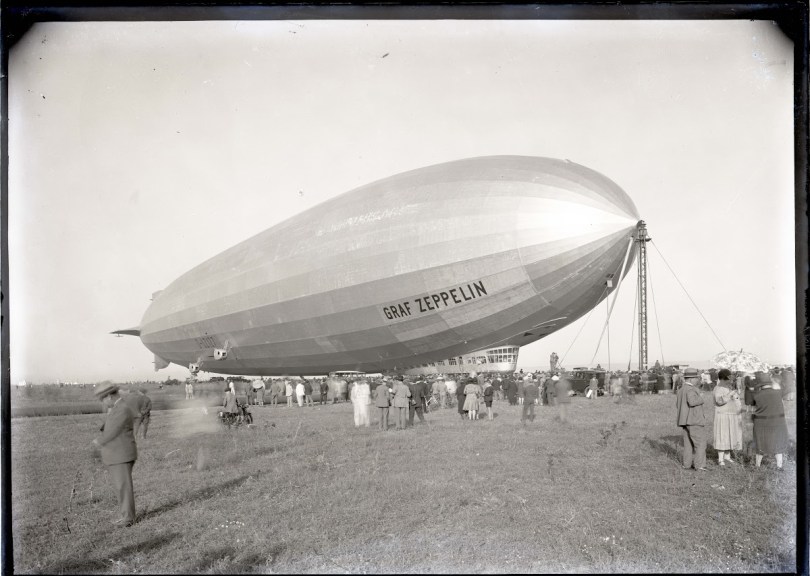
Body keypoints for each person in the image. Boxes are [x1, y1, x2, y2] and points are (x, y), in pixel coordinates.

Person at [92, 383, 137, 527]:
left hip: (121, 454)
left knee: (123, 487)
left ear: (109, 396)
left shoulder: (121, 409)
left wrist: (98, 442)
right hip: (118, 454)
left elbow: (112, 431)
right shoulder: (117, 408)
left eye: (103, 399)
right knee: (121, 487)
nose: (103, 402)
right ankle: (126, 515)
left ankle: (128, 518)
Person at [746, 371, 788, 469]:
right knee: (778, 442)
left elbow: (750, 403)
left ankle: (757, 465)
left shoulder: (756, 394)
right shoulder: (778, 392)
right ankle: (779, 465)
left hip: (761, 422)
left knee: (760, 442)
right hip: (778, 421)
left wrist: (750, 389)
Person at [675, 368, 707, 471]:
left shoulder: (681, 390)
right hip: (694, 420)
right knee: (700, 443)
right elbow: (692, 402)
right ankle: (699, 465)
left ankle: (686, 464)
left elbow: (678, 405)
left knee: (688, 445)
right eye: (696, 378)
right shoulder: (691, 389)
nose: (698, 380)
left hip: (684, 421)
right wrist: (701, 398)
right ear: (691, 379)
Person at [713, 368, 743, 466]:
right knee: (723, 435)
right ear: (724, 378)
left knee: (730, 435)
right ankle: (720, 459)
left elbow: (734, 400)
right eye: (728, 378)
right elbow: (719, 401)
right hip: (722, 415)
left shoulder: (728, 387)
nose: (730, 380)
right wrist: (730, 394)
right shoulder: (718, 388)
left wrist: (736, 394)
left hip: (731, 414)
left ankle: (727, 456)